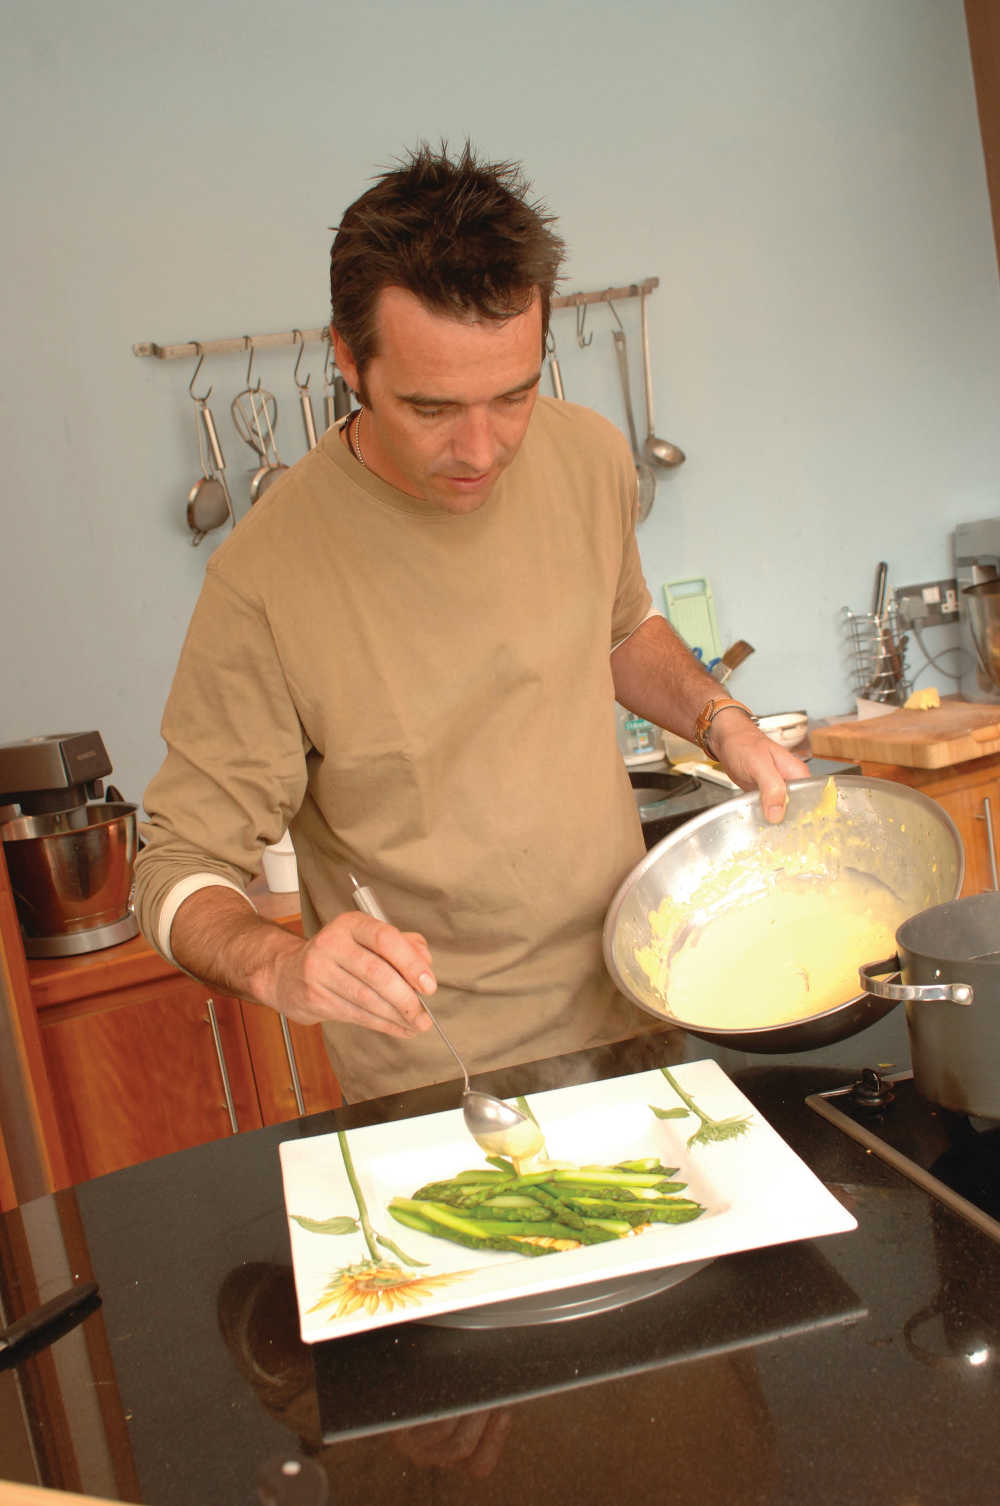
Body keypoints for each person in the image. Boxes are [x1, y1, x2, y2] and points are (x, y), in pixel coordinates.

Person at [133, 142, 808, 1103]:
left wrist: (719, 720)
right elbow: (176, 871)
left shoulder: (588, 458)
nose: (481, 451)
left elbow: (619, 632)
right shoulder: (265, 582)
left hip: (645, 1011)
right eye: (432, 407)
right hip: (443, 1083)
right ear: (347, 361)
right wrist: (279, 967)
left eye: (514, 394)